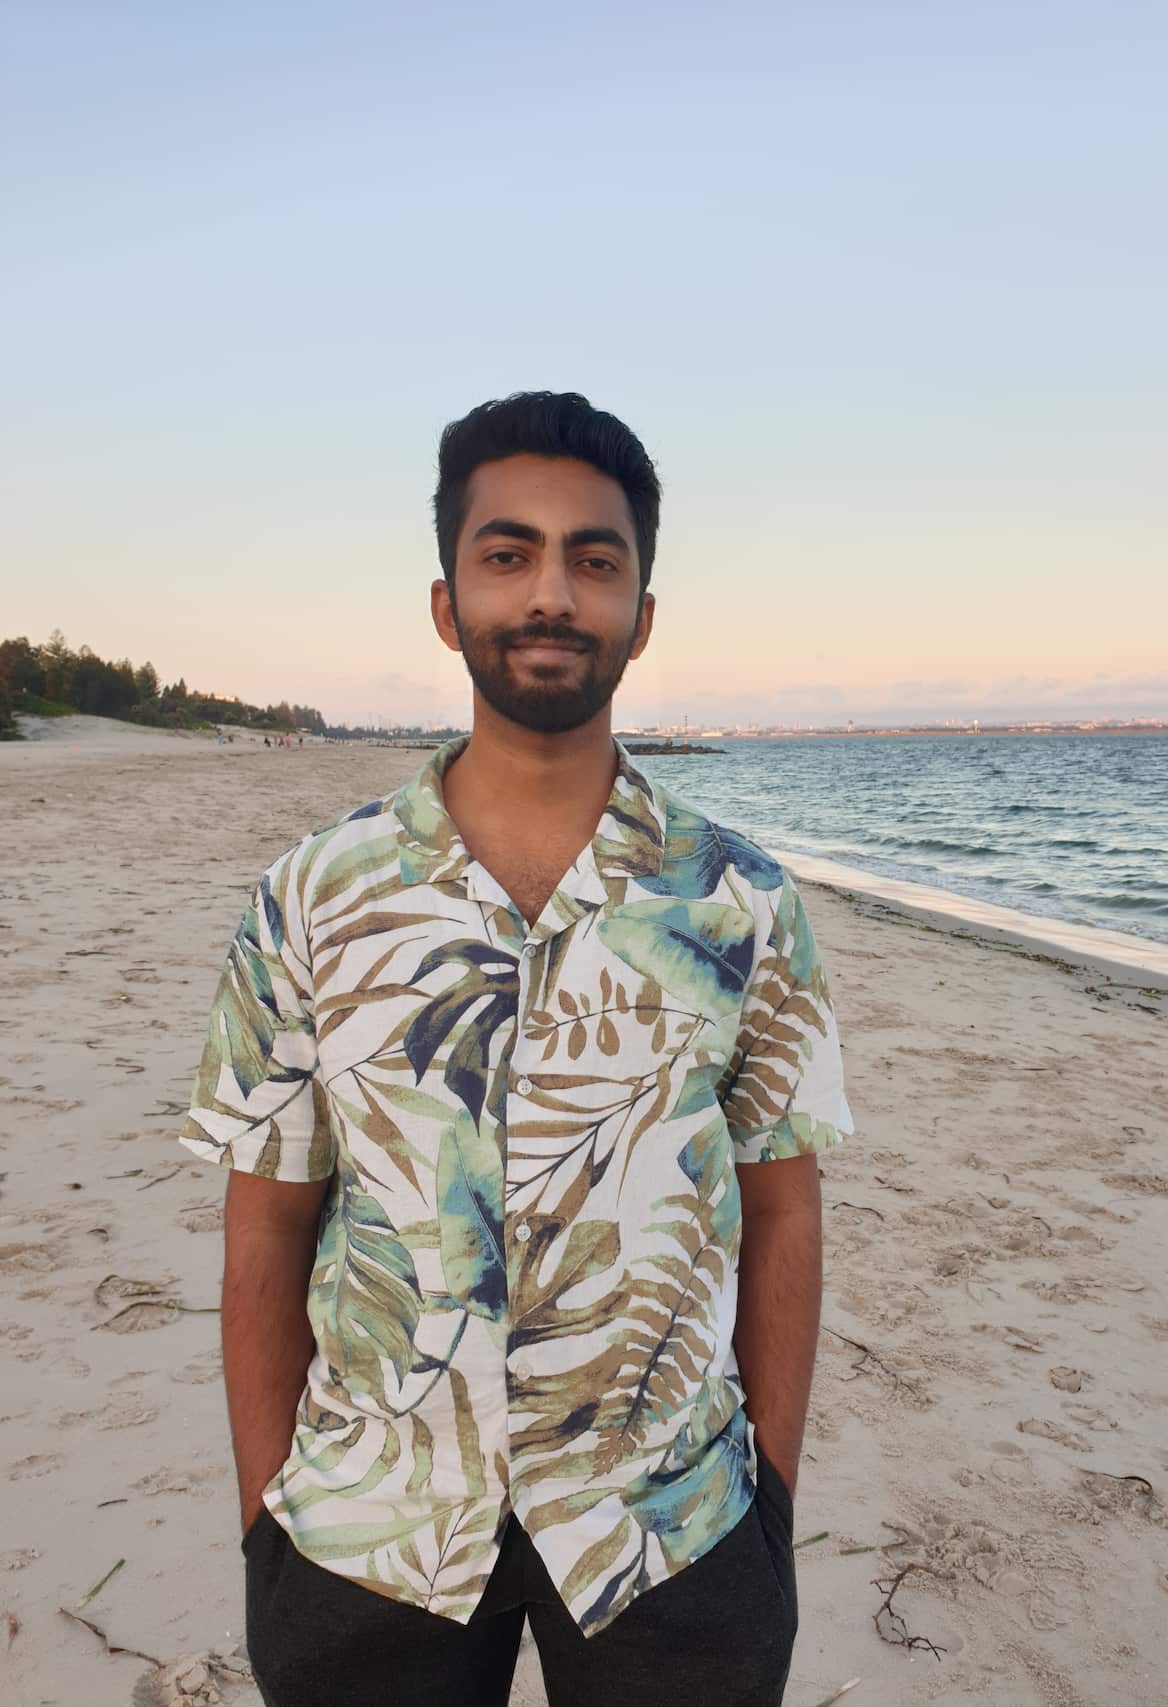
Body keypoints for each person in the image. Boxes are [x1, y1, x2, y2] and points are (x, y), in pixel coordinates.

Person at [180, 391, 854, 1707]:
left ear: (642, 617)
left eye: (593, 559)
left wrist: (766, 1503)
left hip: (671, 1529)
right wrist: (267, 1522)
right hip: (371, 1529)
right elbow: (263, 1229)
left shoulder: (744, 905)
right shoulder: (310, 898)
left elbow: (785, 1213)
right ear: (447, 604)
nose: (552, 592)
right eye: (509, 554)